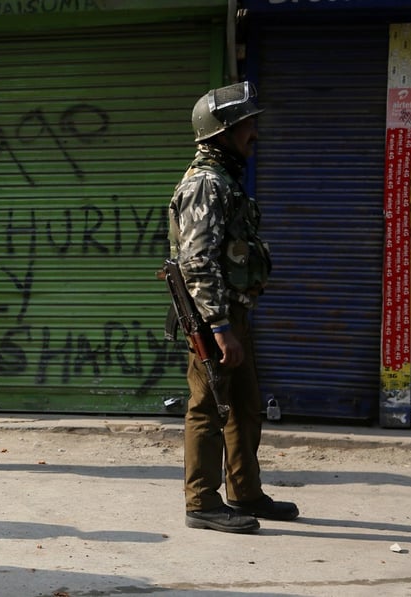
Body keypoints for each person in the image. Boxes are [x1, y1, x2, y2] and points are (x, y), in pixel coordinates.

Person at [167, 81, 299, 533]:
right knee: (208, 407)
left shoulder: (225, 180)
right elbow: (195, 260)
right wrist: (220, 327)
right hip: (212, 318)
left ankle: (245, 491)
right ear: (222, 130)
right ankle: (202, 501)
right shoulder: (205, 184)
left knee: (244, 406)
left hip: (232, 313)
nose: (254, 133)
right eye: (247, 125)